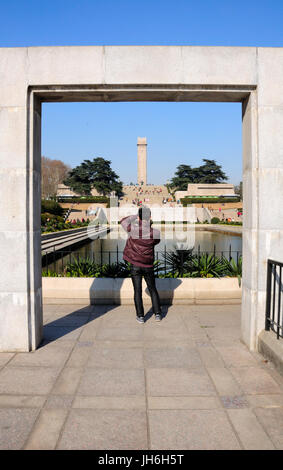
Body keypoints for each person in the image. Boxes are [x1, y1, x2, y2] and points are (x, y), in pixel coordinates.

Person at [120, 207, 162, 323]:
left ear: (139, 217)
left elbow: (123, 221)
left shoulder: (133, 229)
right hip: (148, 265)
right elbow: (156, 242)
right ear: (150, 217)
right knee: (153, 289)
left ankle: (141, 316)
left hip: (135, 265)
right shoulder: (156, 232)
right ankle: (157, 313)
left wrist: (135, 216)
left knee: (137, 291)